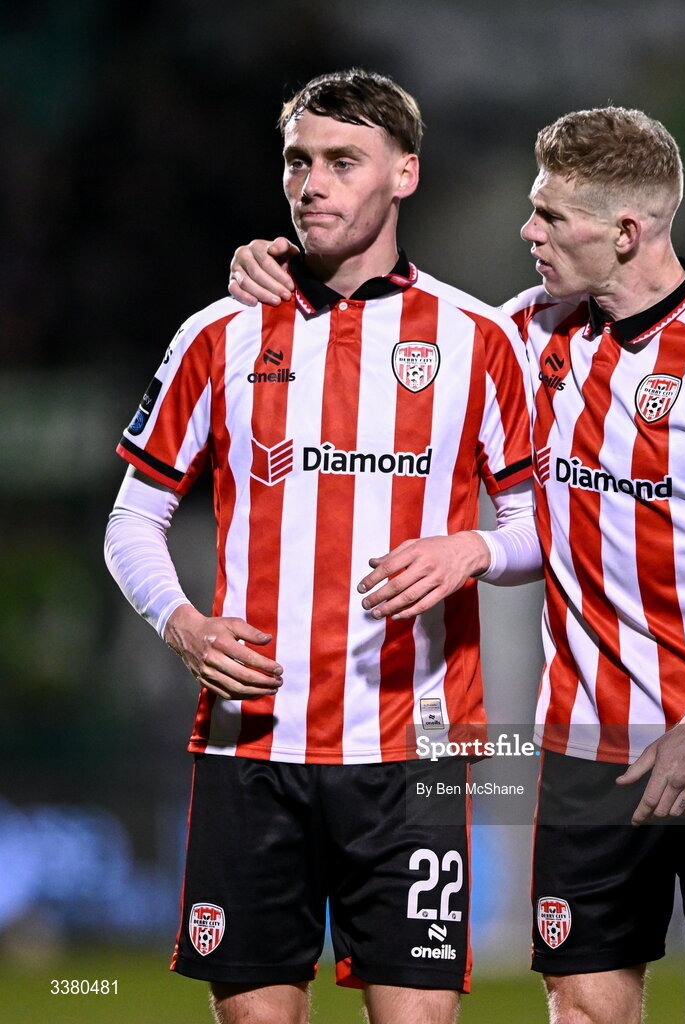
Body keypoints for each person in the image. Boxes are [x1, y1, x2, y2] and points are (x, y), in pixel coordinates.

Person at [228, 106, 685, 1024]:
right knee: (582, 1007)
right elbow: (386, 327)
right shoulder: (521, 338)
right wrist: (275, 267)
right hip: (585, 743)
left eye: (550, 217)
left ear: (626, 233)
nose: (526, 232)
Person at [104, 69, 542, 1024]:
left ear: (406, 174)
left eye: (344, 161)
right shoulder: (217, 335)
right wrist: (180, 622)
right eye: (299, 161)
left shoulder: (476, 340)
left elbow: (540, 526)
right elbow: (131, 519)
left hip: (412, 751)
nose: (314, 183)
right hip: (249, 743)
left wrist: (471, 550)